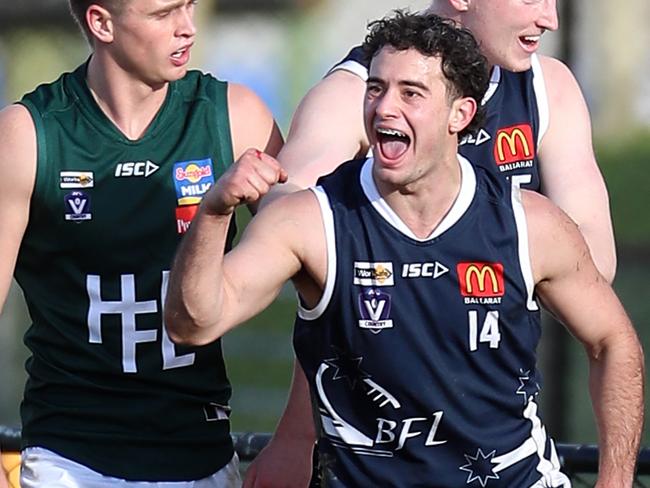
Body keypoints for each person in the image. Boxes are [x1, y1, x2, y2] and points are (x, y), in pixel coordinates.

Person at [165, 11, 644, 487]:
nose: (385, 108)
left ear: (462, 114)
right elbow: (194, 321)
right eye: (376, 90)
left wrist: (616, 481)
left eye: (411, 94)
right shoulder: (316, 217)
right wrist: (214, 212)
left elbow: (612, 334)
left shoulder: (528, 219)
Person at [0, 0, 282, 486]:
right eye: (163, 14)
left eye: (190, 6)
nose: (188, 28)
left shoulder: (236, 116)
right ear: (101, 23)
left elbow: (322, 279)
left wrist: (299, 432)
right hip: (69, 461)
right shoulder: (28, 133)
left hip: (202, 457)